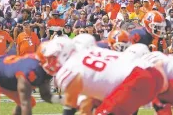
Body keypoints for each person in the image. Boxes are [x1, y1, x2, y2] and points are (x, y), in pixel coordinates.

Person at [38, 37, 168, 115]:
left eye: (52, 58)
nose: (49, 64)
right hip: (153, 73)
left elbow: (69, 107)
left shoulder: (69, 68)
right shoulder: (90, 53)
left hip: (135, 80)